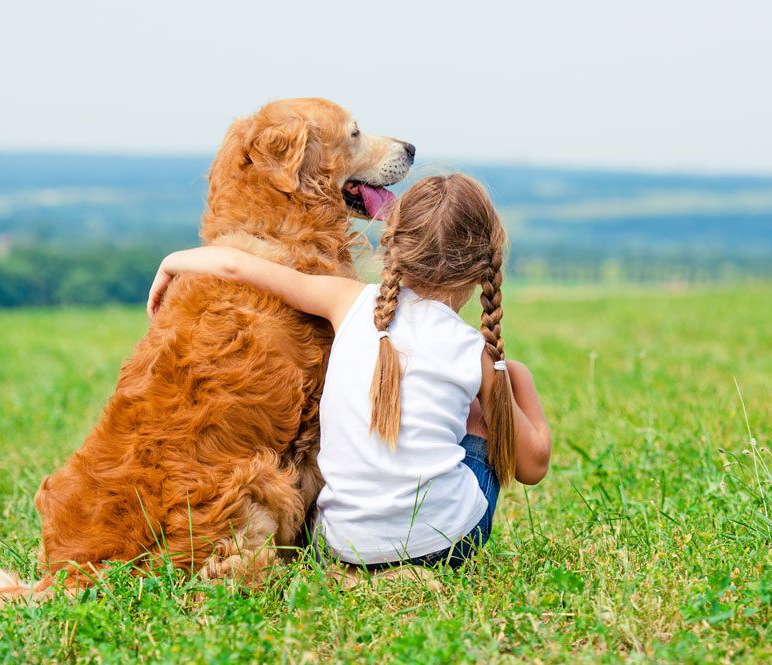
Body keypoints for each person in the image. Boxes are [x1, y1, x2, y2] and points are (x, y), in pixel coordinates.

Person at [147, 174, 551, 569]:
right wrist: (514, 376)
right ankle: (423, 534)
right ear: (485, 264)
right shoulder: (473, 352)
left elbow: (236, 265)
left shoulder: (346, 301)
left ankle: (366, 566)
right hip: (443, 547)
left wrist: (171, 262)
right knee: (480, 412)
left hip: (338, 545)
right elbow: (532, 466)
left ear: (390, 245)